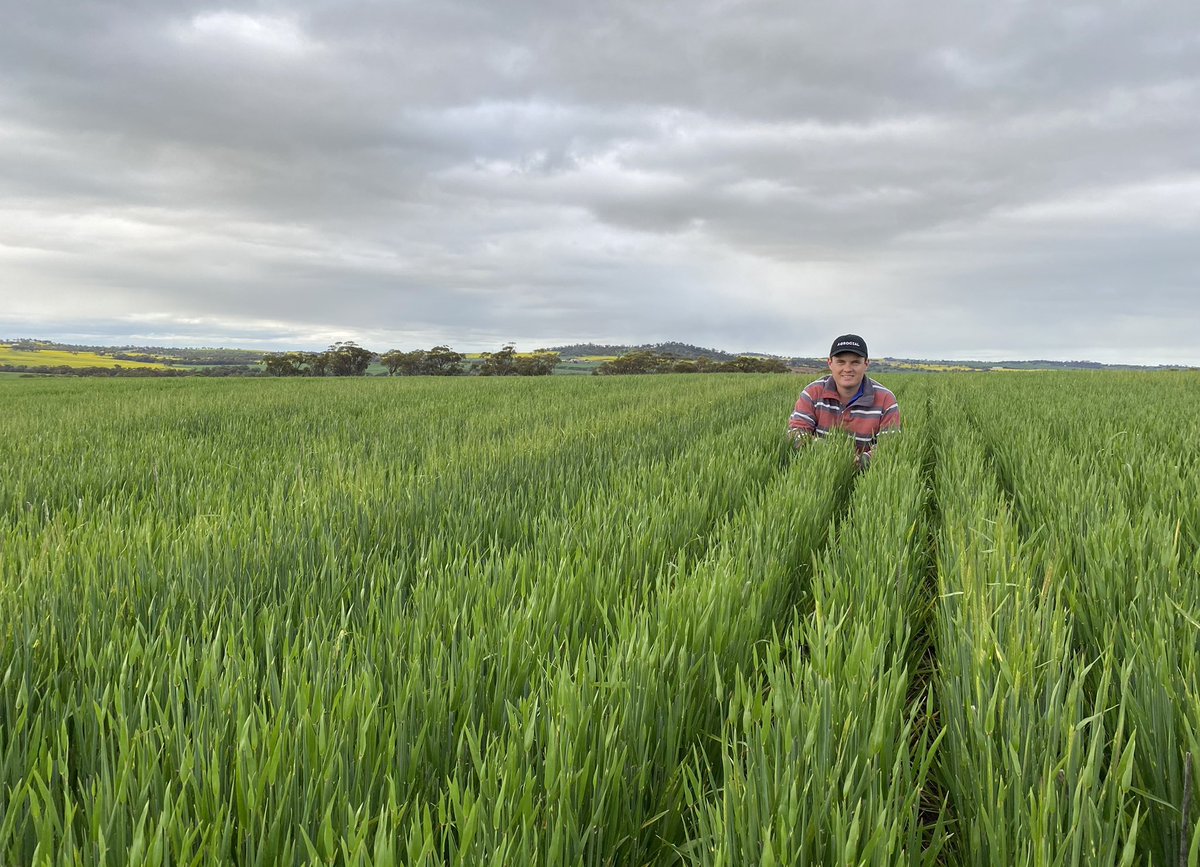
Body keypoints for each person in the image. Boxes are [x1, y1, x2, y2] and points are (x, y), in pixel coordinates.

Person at [787, 334, 900, 470]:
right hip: (818, 469)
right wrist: (832, 452)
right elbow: (796, 433)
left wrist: (859, 461)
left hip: (866, 474)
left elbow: (889, 446)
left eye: (855, 362)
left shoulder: (886, 400)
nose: (847, 369)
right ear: (830, 363)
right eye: (841, 362)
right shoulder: (812, 393)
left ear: (866, 364)